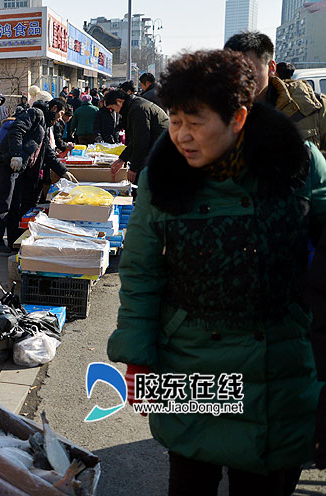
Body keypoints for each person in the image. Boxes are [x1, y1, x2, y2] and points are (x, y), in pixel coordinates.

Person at [109, 48, 325, 496]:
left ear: (238, 119)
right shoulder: (163, 177)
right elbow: (141, 271)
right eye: (174, 120)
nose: (181, 136)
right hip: (188, 363)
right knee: (190, 478)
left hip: (277, 363)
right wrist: (138, 359)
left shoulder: (298, 165)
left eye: (195, 121)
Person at [0, 99, 76, 254]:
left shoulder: (45, 124)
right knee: (4, 201)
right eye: (61, 113)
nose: (61, 118)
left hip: (17, 166)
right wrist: (16, 155)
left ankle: (13, 240)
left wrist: (63, 171)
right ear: (54, 108)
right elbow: (17, 130)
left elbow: (48, 153)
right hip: (6, 162)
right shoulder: (36, 113)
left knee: (15, 204)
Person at [225, 32, 326, 154]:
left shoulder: (313, 108)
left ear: (271, 68)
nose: (240, 77)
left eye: (249, 69)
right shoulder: (217, 112)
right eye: (232, 70)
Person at [106, 88, 170, 184]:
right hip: (158, 147)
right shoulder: (134, 106)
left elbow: (141, 140)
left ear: (119, 101)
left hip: (162, 150)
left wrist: (134, 168)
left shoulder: (138, 109)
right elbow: (136, 139)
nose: (115, 112)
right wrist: (122, 159)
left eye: (113, 108)